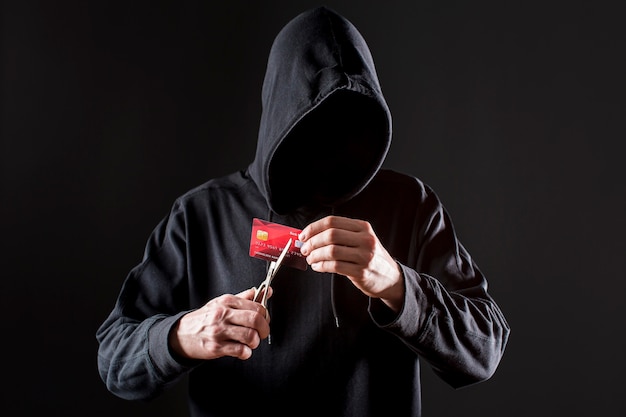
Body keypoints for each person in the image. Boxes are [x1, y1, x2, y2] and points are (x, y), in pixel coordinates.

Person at [96, 6, 510, 417]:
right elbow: (114, 360)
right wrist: (183, 334)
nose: (327, 141)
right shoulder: (201, 214)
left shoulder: (410, 205)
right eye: (309, 122)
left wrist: (396, 283)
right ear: (279, 111)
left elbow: (484, 350)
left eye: (346, 121)